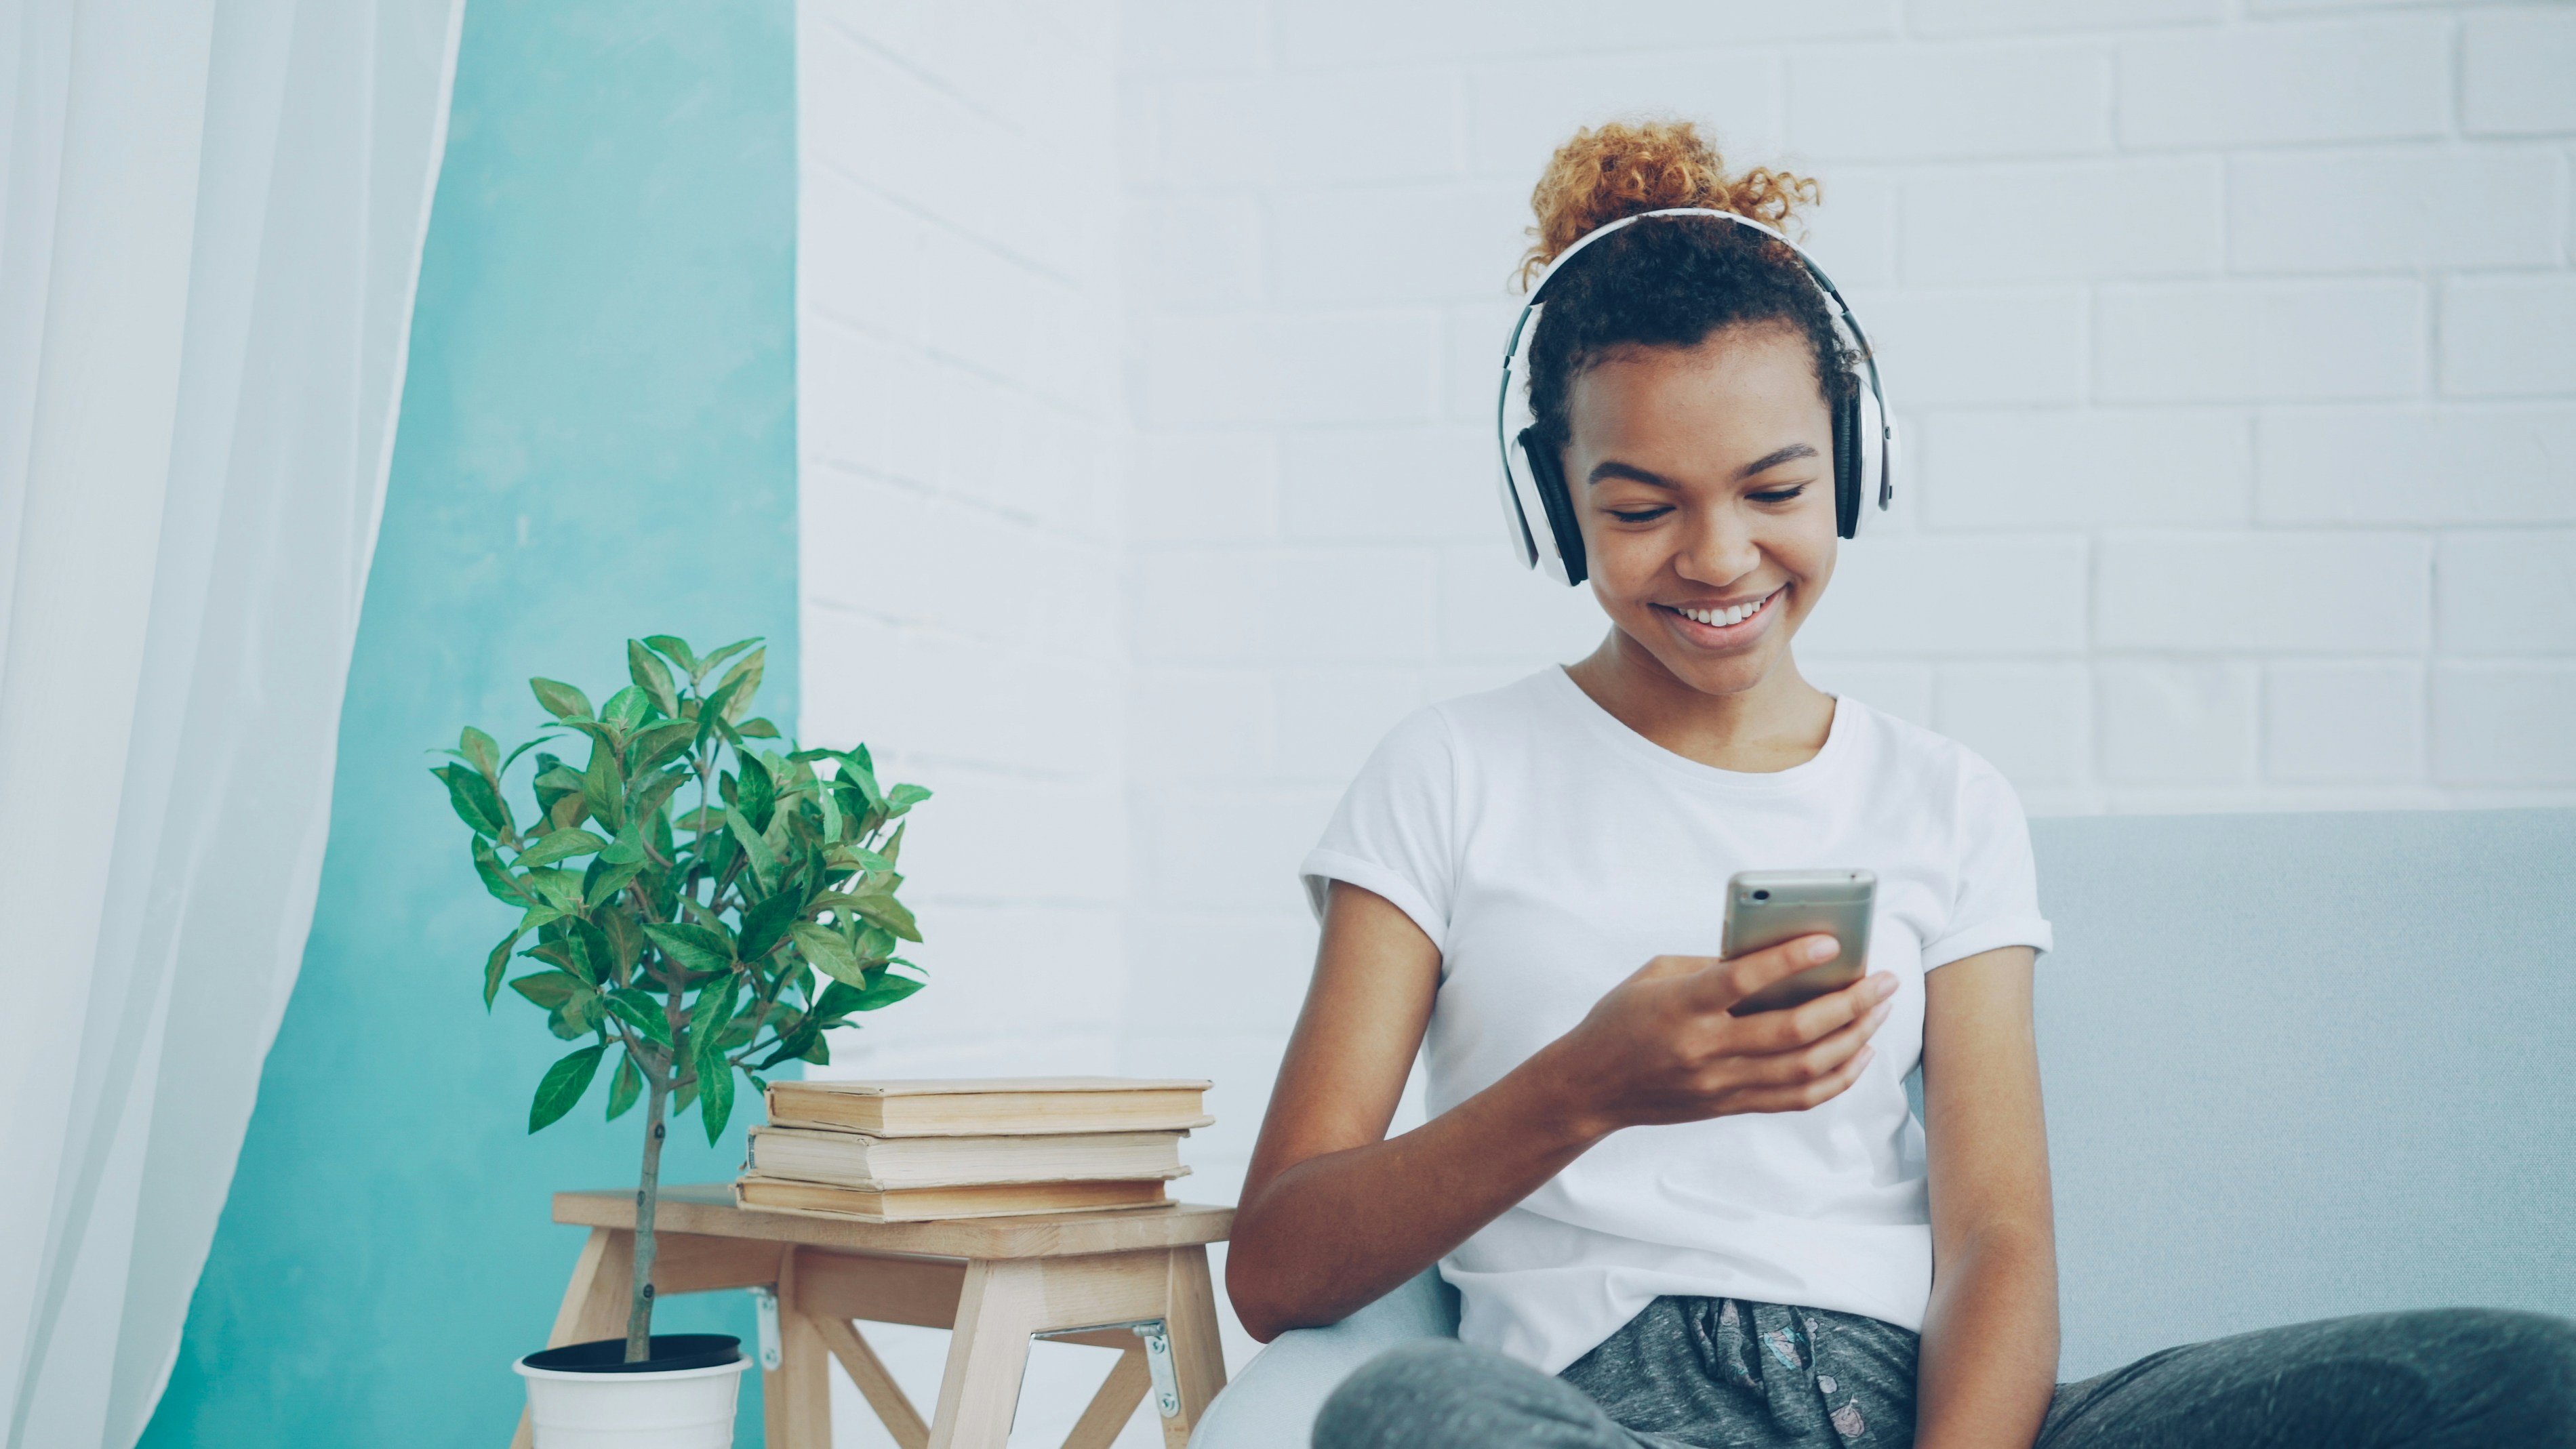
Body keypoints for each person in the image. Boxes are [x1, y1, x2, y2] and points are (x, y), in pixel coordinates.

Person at [1222, 119, 2576, 1449]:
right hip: (1604, 1410)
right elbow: (1278, 1267)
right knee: (1408, 1412)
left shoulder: (1945, 797)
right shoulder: (1448, 772)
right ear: (1550, 496)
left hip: (1931, 1413)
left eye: (1774, 488)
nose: (1717, 555)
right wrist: (1586, 1084)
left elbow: (1994, 1238)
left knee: (2514, 1376)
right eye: (1640, 509)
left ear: (1855, 465)